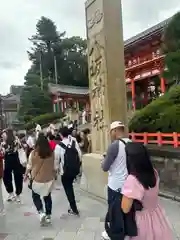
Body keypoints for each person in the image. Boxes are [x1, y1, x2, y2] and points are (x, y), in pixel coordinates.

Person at [121, 142, 172, 240]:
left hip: (141, 221)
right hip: (157, 215)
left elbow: (125, 208)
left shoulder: (133, 179)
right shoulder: (154, 172)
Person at [101, 121, 131, 240]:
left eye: (111, 132)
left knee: (114, 210)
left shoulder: (114, 145)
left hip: (116, 184)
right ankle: (128, 231)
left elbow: (105, 167)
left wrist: (103, 161)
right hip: (129, 183)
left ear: (114, 131)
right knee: (127, 209)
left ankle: (115, 233)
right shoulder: (131, 143)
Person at [24, 133, 59, 225]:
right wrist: (55, 176)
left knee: (35, 196)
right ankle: (48, 215)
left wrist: (25, 175)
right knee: (47, 197)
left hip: (36, 179)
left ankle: (40, 211)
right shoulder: (52, 153)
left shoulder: (33, 153)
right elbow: (55, 167)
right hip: (48, 179)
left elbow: (29, 166)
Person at [59, 127, 82, 216]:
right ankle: (72, 205)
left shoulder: (59, 146)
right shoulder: (74, 141)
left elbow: (57, 161)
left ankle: (74, 208)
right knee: (70, 187)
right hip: (74, 169)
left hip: (64, 172)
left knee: (68, 189)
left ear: (61, 135)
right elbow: (79, 154)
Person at [1, 129, 24, 203]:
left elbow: (20, 148)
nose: (2, 135)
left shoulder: (16, 140)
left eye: (4, 134)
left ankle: (18, 194)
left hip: (15, 158)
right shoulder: (2, 142)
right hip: (6, 159)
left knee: (18, 176)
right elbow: (2, 152)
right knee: (6, 176)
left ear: (8, 134)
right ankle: (11, 193)